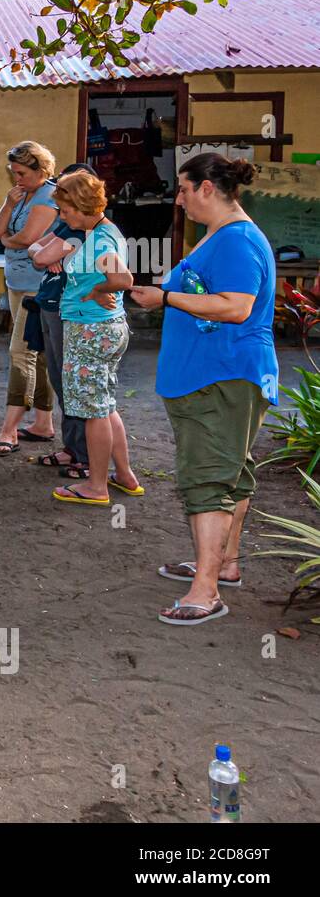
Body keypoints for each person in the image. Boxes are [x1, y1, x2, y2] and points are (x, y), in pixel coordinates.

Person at [130, 154, 279, 625]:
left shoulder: (237, 241)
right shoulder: (220, 235)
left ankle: (206, 591)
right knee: (230, 470)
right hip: (212, 375)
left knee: (207, 479)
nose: (179, 198)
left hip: (222, 376)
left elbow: (236, 307)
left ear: (208, 189)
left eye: (184, 188)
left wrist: (167, 297)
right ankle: (224, 564)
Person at [31, 171, 140, 508]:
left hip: (90, 330)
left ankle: (96, 485)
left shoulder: (101, 240)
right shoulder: (99, 232)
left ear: (80, 206)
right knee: (104, 406)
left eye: (64, 211)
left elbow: (123, 278)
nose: (62, 217)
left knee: (93, 411)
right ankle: (123, 475)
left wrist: (97, 289)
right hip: (102, 328)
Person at [0, 141, 59, 456]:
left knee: (21, 352)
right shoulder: (21, 194)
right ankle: (43, 423)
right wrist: (8, 204)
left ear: (41, 170)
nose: (16, 178)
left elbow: (29, 238)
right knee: (37, 354)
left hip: (38, 286)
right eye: (13, 173)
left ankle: (9, 430)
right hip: (17, 282)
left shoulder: (50, 195)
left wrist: (7, 241)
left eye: (22, 173)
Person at [27, 163, 96, 478]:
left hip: (69, 310)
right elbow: (34, 248)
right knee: (59, 378)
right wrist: (47, 252)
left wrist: (48, 253)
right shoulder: (66, 225)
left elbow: (40, 255)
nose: (59, 209)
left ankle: (85, 455)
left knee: (74, 383)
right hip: (49, 304)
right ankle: (72, 448)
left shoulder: (87, 229)